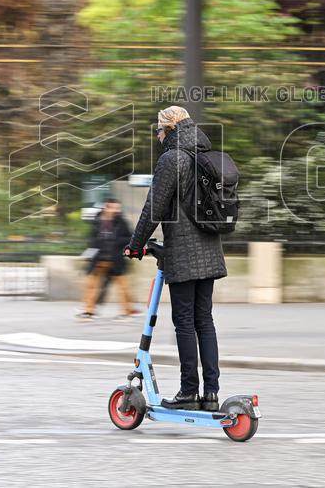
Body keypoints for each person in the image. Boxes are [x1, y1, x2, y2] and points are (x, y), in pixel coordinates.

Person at [124, 106, 227, 412]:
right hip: (210, 247)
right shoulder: (205, 155)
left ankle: (189, 391)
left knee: (184, 321)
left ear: (169, 130)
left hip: (183, 251)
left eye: (158, 131)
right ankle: (211, 394)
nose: (157, 137)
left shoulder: (173, 158)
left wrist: (135, 245)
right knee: (204, 320)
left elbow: (153, 208)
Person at [77, 198, 137, 321]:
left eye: (118, 208)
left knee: (123, 287)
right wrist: (93, 248)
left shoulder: (121, 222)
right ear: (106, 208)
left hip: (116, 259)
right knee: (91, 286)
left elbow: (130, 238)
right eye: (114, 207)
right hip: (99, 259)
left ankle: (127, 311)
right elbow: (91, 238)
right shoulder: (97, 221)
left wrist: (116, 241)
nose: (117, 210)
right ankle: (89, 311)